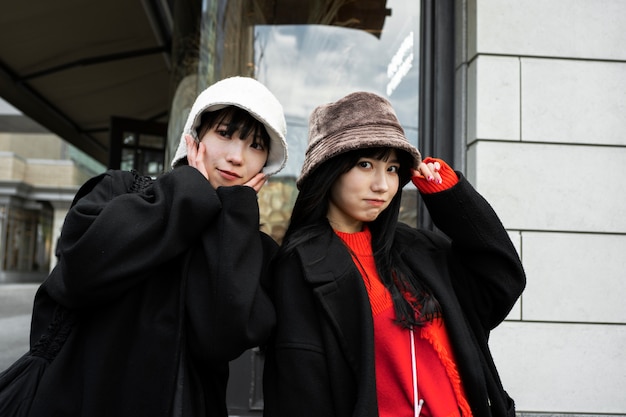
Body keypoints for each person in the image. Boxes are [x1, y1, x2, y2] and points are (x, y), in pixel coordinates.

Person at [5, 76, 288, 417]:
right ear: (195, 136)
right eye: (225, 133)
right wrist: (188, 193)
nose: (237, 156)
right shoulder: (120, 191)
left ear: (266, 164)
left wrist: (235, 218)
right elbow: (81, 273)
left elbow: (222, 339)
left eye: (256, 146)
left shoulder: (249, 246)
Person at [262, 91, 526, 417]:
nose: (382, 185)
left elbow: (501, 281)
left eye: (391, 168)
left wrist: (448, 194)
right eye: (365, 164)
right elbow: (301, 394)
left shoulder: (416, 250)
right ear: (328, 170)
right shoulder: (301, 266)